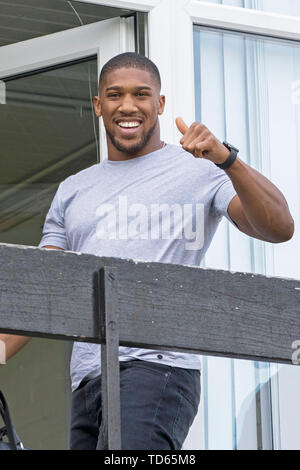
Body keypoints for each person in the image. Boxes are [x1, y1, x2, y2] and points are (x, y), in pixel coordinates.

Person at [0, 52, 294, 450]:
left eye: (141, 95)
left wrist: (227, 159)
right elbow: (46, 292)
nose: (128, 106)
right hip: (87, 376)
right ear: (98, 105)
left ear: (160, 104)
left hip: (158, 368)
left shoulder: (201, 169)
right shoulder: (72, 189)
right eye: (115, 95)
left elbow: (279, 227)